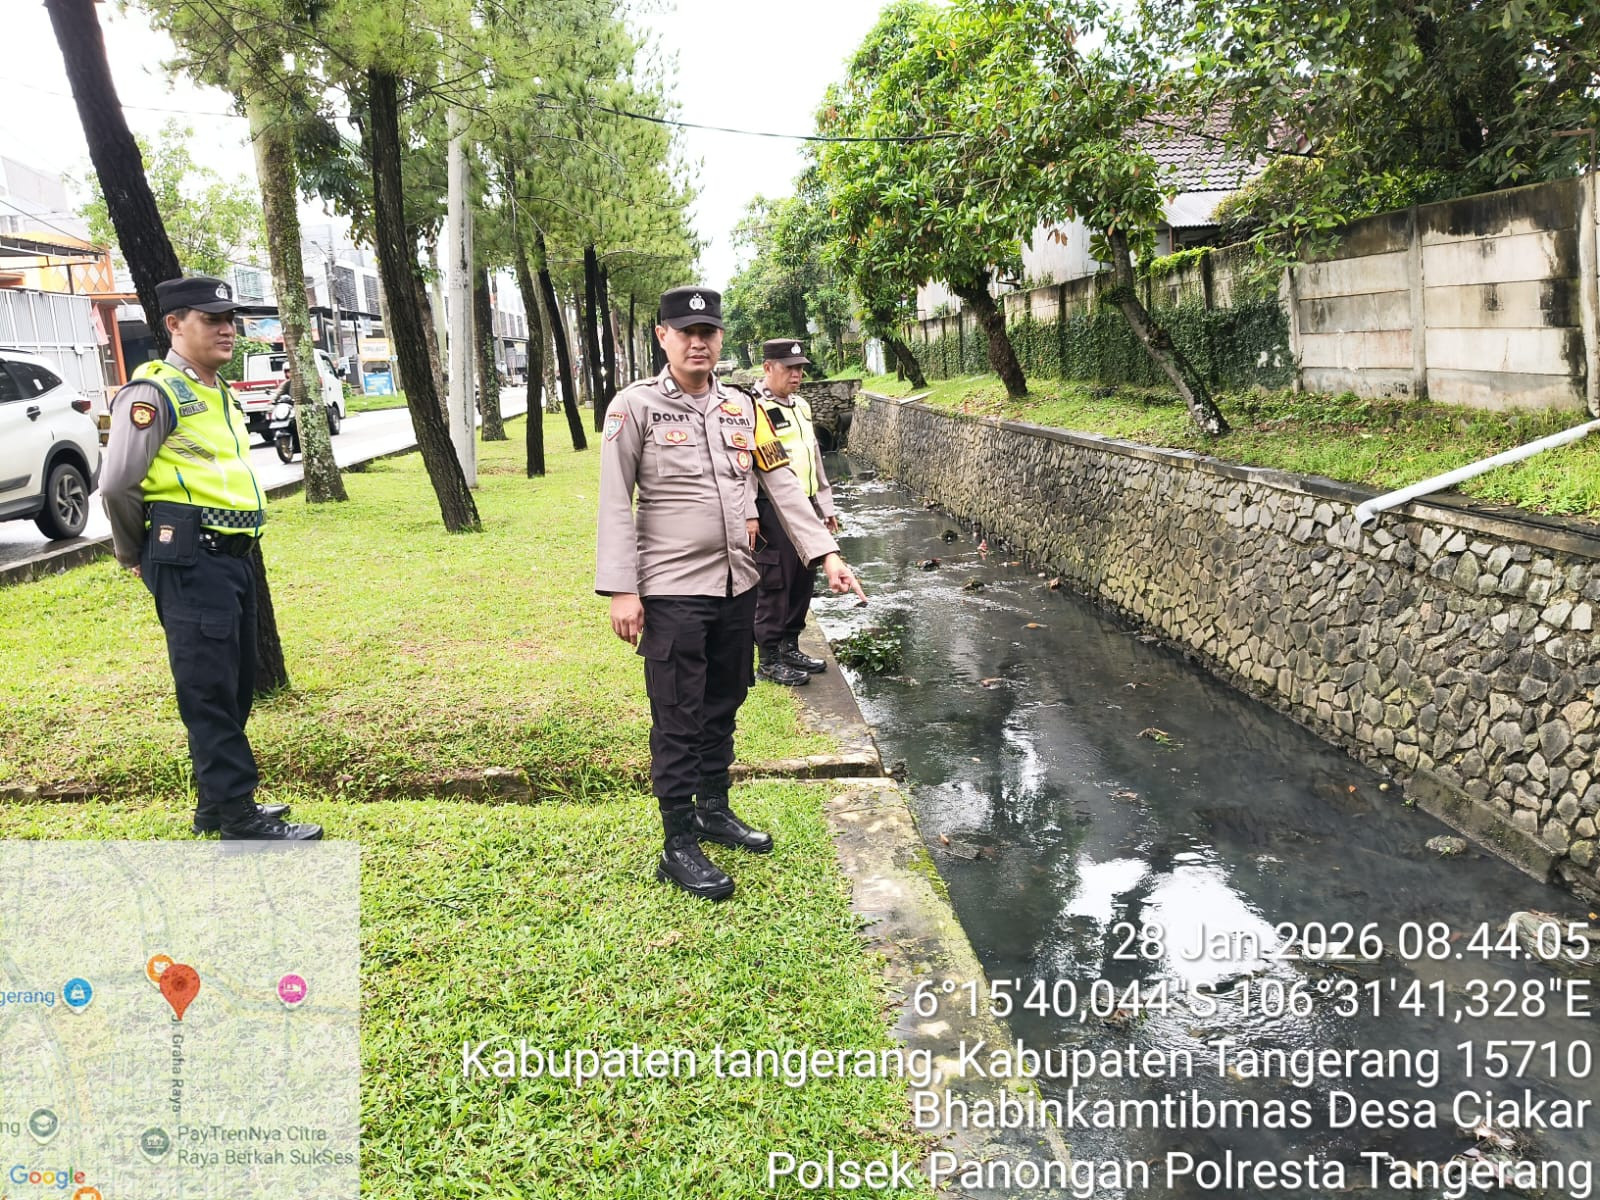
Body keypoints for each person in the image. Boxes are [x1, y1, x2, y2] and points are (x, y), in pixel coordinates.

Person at [596, 286, 865, 901]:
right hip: (670, 589)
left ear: (720, 338)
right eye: (685, 331)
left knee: (725, 699)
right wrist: (621, 590)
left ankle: (714, 810)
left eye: (708, 332)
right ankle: (678, 842)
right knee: (678, 712)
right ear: (662, 337)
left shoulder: (746, 411)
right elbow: (615, 501)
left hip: (737, 584)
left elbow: (781, 484)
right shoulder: (634, 408)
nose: (698, 342)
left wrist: (825, 554)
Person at [101, 275, 322, 842]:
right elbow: (118, 484)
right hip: (191, 557)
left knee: (234, 683)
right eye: (210, 319)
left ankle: (216, 805)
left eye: (230, 319)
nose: (227, 329)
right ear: (174, 325)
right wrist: (134, 553)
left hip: (232, 557)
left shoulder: (215, 390)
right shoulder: (153, 393)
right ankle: (237, 817)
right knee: (209, 690)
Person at [751, 338, 838, 686]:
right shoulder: (753, 409)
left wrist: (825, 505)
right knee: (775, 583)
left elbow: (814, 457)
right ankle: (769, 657)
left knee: (803, 581)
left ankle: (790, 645)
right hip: (770, 510)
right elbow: (745, 470)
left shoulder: (801, 406)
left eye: (801, 368)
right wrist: (749, 514)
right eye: (789, 367)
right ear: (768, 367)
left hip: (807, 507)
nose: (797, 374)